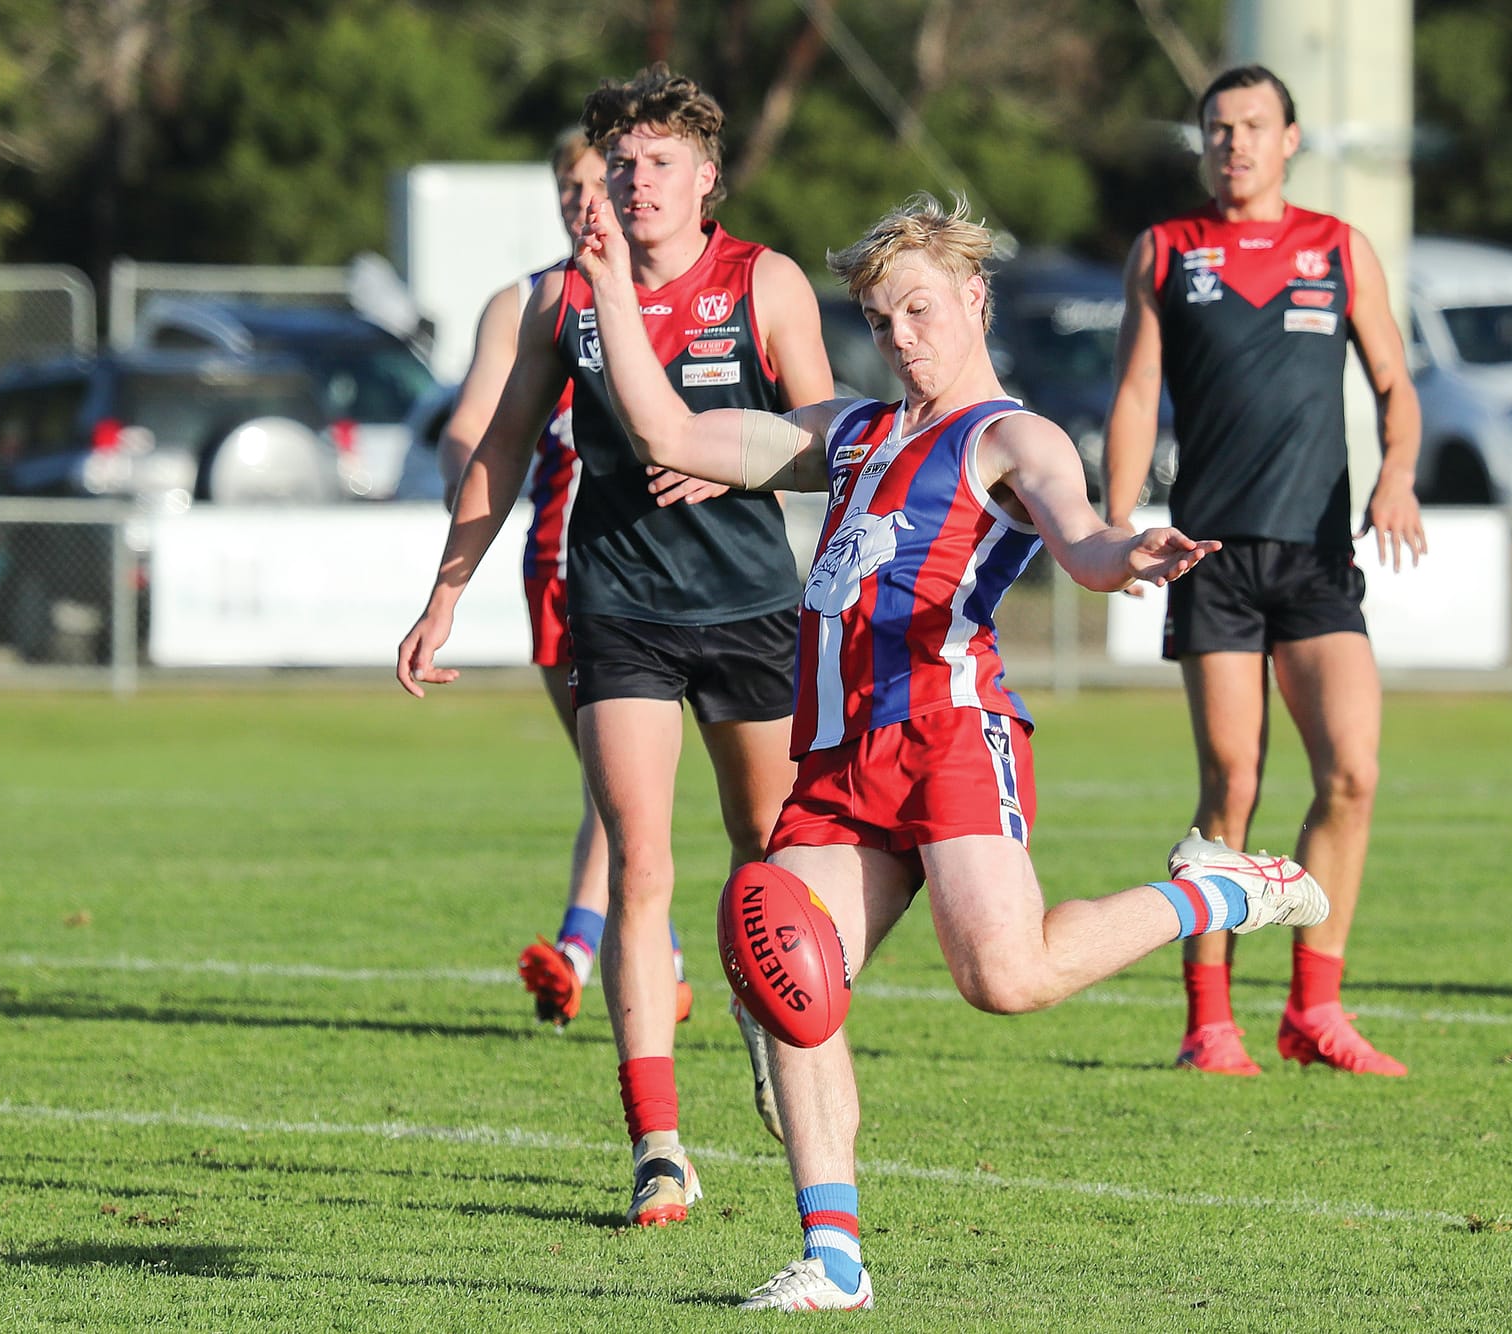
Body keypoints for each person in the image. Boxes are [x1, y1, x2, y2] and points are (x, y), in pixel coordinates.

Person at [570, 190, 1332, 1311]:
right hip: (833, 759)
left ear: (973, 298)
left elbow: (1076, 537)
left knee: (1005, 976)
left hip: (944, 732)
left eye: (918, 309)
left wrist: (1129, 552)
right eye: (879, 320)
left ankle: (1210, 893)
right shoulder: (848, 432)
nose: (900, 337)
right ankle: (832, 1255)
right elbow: (669, 436)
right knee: (792, 975)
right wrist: (599, 285)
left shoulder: (1009, 436)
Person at [396, 64, 836, 1227]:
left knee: (767, 858)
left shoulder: (765, 281)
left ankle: (768, 1035)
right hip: (619, 605)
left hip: (748, 608)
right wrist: (445, 595)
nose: (634, 182)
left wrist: (732, 448)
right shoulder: (564, 302)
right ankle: (656, 1143)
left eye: (655, 163)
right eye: (619, 164)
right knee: (641, 865)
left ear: (705, 177)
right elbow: (493, 454)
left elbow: (822, 439)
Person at [1102, 64, 1427, 1078]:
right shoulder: (1164, 252)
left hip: (1316, 555)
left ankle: (1313, 1010)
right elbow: (1133, 394)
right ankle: (1208, 1020)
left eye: (1251, 125)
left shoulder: (1336, 249)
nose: (1232, 141)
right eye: (1216, 127)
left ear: (1289, 138)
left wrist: (1397, 478)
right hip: (1210, 556)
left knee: (1352, 771)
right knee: (1230, 782)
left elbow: (1392, 382)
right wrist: (1114, 527)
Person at [437, 125, 697, 1036]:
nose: (589, 202)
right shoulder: (531, 302)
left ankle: (589, 944)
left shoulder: (690, 288)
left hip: (685, 569)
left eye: (605, 181)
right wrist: (467, 486)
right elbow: (474, 427)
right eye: (571, 189)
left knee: (630, 787)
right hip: (564, 563)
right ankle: (647, 952)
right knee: (610, 777)